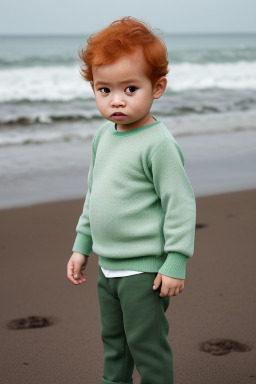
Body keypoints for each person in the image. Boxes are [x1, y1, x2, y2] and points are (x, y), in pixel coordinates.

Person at [67, 16, 196, 384]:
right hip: (108, 268)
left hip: (145, 273)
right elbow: (95, 195)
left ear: (157, 88)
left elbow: (180, 205)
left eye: (130, 88)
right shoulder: (102, 138)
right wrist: (82, 246)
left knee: (147, 346)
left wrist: (175, 260)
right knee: (115, 344)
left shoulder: (159, 144)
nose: (116, 100)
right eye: (104, 90)